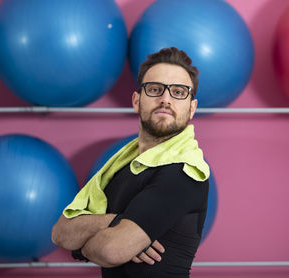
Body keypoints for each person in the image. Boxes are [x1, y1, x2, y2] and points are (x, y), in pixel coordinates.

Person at [52, 47, 210, 278]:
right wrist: (119, 220)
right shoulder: (120, 167)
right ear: (137, 101)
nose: (165, 99)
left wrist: (84, 245)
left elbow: (110, 251)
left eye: (178, 92)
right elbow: (60, 233)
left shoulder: (184, 172)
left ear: (191, 108)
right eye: (155, 89)